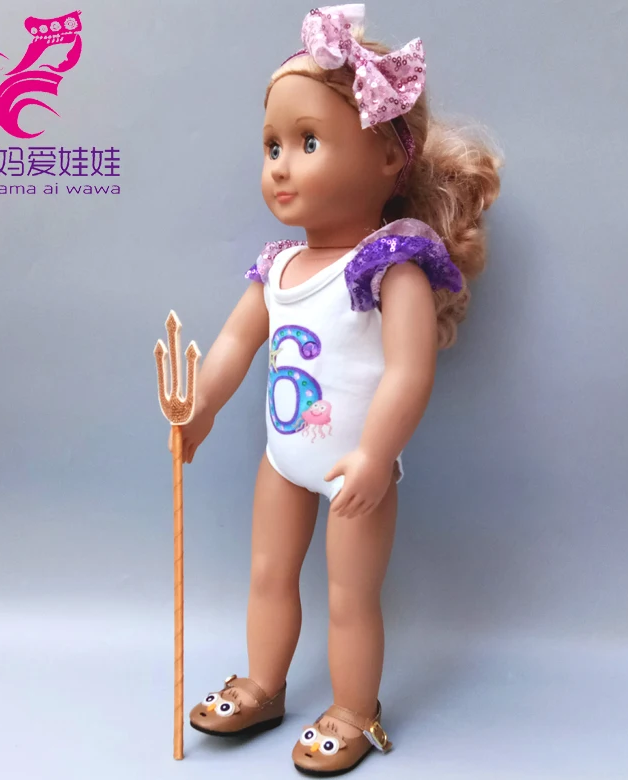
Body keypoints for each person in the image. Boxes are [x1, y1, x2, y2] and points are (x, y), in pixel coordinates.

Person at [171, 4, 503, 774]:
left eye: (308, 142)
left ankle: (356, 710)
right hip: (283, 460)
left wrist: (376, 454)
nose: (281, 165)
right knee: (268, 573)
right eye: (272, 146)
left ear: (387, 156)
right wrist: (202, 407)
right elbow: (235, 344)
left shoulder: (389, 265)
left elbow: (410, 371)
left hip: (357, 467)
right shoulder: (279, 267)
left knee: (351, 595)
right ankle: (263, 683)